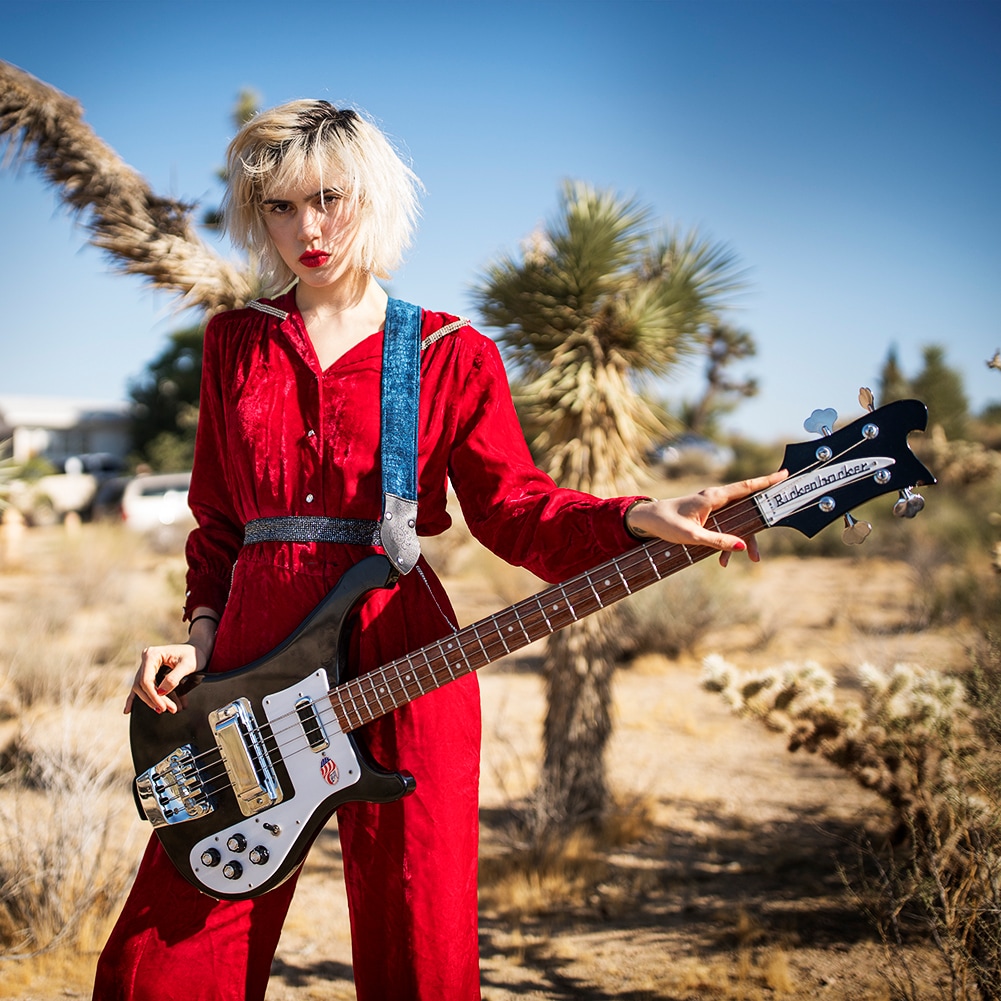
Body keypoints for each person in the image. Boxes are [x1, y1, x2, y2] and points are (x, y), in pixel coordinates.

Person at [94, 100, 785, 1001]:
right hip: (249, 666)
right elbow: (220, 523)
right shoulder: (236, 343)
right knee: (170, 954)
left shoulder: (451, 351)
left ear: (371, 197)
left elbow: (516, 511)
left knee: (420, 949)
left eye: (329, 199)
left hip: (406, 657)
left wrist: (635, 515)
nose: (307, 228)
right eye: (279, 206)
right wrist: (200, 634)